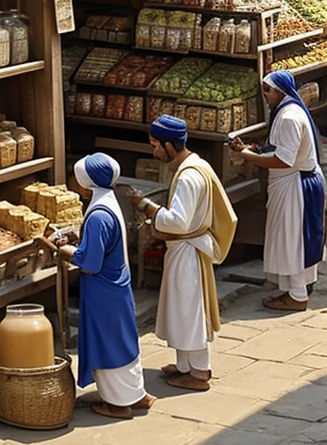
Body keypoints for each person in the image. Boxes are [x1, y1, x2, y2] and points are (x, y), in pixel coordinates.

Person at [131, 115, 237, 391]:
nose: (154, 152)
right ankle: (184, 365)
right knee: (181, 310)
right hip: (184, 249)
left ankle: (199, 373)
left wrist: (147, 208)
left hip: (188, 250)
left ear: (169, 144)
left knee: (190, 312)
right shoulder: (195, 165)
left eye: (156, 146)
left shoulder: (189, 176)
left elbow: (178, 221)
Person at [58, 152, 154, 419]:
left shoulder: (99, 214)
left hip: (103, 290)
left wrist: (61, 248)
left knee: (107, 343)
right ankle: (136, 394)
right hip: (117, 285)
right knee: (123, 340)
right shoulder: (110, 202)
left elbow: (89, 262)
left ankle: (117, 403)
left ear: (87, 183)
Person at [231, 70, 325, 311]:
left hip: (294, 186)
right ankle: (297, 289)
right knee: (295, 239)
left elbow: (284, 160)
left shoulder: (288, 118)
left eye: (268, 90)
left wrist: (246, 155)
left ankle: (297, 295)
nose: (265, 95)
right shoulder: (287, 112)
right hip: (294, 183)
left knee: (293, 241)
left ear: (280, 91)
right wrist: (257, 151)